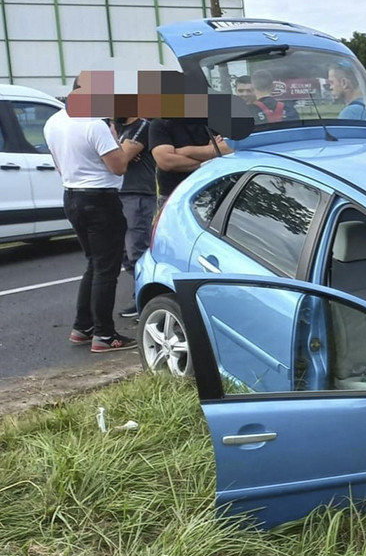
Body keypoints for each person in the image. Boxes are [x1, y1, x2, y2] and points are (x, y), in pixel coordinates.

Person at [43, 78, 141, 352]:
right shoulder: (93, 125)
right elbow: (119, 167)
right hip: (100, 199)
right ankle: (105, 335)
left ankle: (82, 327)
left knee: (93, 264)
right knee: (106, 270)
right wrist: (119, 141)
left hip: (72, 195)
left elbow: (59, 165)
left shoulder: (54, 121)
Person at [113, 117, 157, 319]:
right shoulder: (112, 128)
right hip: (116, 192)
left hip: (137, 193)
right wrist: (117, 150)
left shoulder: (141, 126)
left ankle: (147, 300)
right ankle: (141, 294)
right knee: (123, 252)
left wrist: (118, 152)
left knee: (137, 250)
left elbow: (120, 158)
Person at [150, 117, 232, 200]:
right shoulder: (161, 123)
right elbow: (166, 161)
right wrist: (211, 153)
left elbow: (231, 148)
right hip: (174, 197)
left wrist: (185, 151)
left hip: (214, 193)